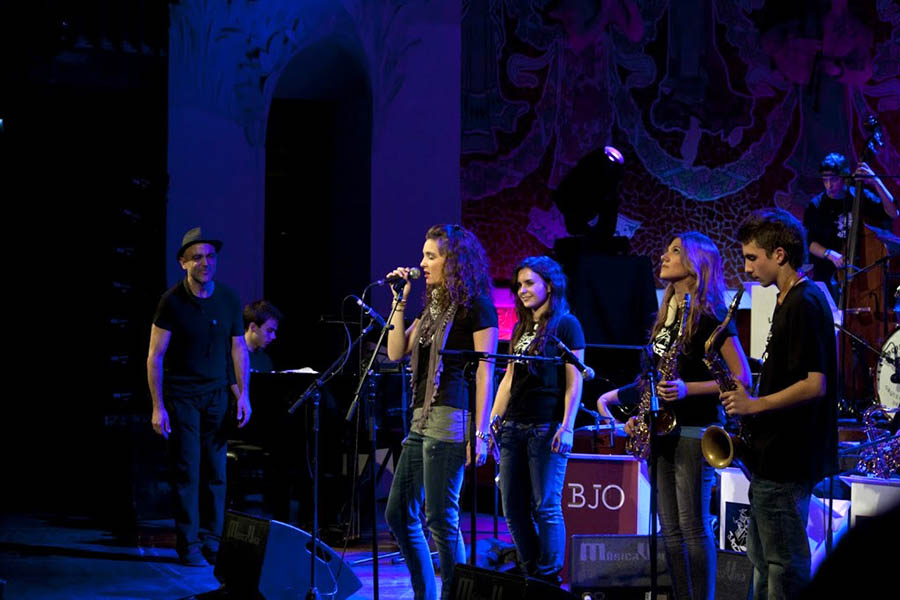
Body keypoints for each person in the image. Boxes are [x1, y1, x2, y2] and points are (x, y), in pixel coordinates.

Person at [598, 232, 751, 600]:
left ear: (697, 265)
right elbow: (653, 377)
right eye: (666, 248)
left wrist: (688, 389)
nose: (665, 256)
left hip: (695, 431)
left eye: (676, 251)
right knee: (670, 530)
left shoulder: (711, 318)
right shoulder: (664, 319)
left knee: (693, 527)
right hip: (661, 431)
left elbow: (741, 378)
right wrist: (637, 412)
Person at [723, 209, 838, 600]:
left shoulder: (805, 303)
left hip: (788, 456)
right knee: (763, 558)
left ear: (780, 255)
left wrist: (753, 405)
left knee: (784, 565)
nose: (747, 267)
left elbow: (814, 384)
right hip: (773, 455)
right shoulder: (790, 300)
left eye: (752, 258)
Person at [384, 224, 499, 600]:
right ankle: (425, 594)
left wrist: (480, 433)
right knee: (398, 514)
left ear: (454, 262)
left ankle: (455, 594)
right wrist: (399, 301)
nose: (422, 263)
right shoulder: (432, 308)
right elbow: (395, 351)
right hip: (420, 418)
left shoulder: (476, 304)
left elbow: (486, 369)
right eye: (423, 255)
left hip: (451, 416)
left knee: (440, 518)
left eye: (431, 256)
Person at [147, 227, 252, 567]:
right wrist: (157, 406)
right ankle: (189, 545)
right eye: (197, 257)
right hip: (182, 398)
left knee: (216, 472)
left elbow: (238, 348)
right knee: (188, 472)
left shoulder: (229, 298)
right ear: (183, 263)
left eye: (210, 256)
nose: (205, 263)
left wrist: (243, 394)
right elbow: (155, 356)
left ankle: (213, 540)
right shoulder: (172, 301)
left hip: (216, 396)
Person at [488, 256, 585, 584]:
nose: (522, 290)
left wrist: (567, 425)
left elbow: (575, 380)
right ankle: (532, 575)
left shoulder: (566, 325)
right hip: (513, 427)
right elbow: (508, 379)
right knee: (512, 509)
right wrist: (492, 421)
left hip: (545, 428)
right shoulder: (519, 328)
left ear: (550, 284)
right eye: (519, 284)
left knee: (545, 506)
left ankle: (548, 578)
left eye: (530, 283)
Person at [803, 152, 897, 300]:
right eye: (825, 179)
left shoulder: (859, 196)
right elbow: (810, 242)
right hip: (828, 274)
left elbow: (893, 212)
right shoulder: (816, 205)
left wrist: (876, 181)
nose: (829, 185)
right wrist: (830, 254)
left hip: (860, 270)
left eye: (833, 179)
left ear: (845, 177)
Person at [242, 300, 283, 372]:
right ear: (253, 327)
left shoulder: (265, 361)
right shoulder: (230, 355)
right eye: (269, 331)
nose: (274, 337)